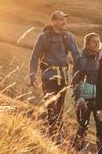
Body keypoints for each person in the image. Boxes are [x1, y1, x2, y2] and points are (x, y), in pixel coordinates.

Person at [29, 11, 80, 139]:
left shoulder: (68, 37)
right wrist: (32, 75)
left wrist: (80, 75)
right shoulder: (43, 37)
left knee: (60, 108)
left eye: (65, 19)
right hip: (48, 76)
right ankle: (54, 136)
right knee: (52, 106)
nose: (64, 22)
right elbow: (35, 56)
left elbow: (76, 56)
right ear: (54, 21)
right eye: (61, 19)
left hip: (63, 77)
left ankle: (55, 135)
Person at [71, 32, 102, 152]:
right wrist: (79, 98)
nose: (97, 44)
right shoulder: (81, 60)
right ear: (87, 44)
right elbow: (75, 80)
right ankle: (75, 152)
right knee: (83, 127)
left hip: (99, 101)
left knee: (101, 128)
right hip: (84, 100)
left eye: (98, 41)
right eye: (94, 41)